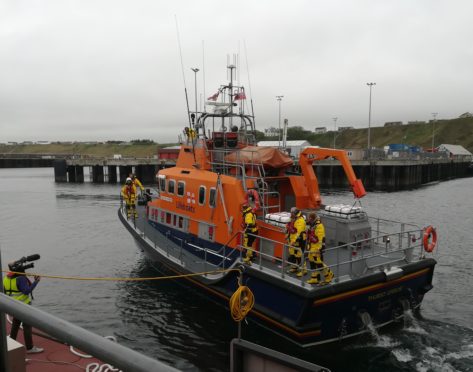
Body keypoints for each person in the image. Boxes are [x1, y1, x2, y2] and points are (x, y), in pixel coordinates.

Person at [3, 264, 43, 353]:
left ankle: (11, 343)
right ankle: (30, 348)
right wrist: (36, 281)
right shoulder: (21, 279)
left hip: (13, 305)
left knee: (15, 324)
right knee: (27, 326)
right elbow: (26, 291)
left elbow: (5, 292)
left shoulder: (6, 278)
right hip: (23, 306)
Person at [306, 213, 334, 285]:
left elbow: (321, 238)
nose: (308, 219)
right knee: (312, 262)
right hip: (311, 247)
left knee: (319, 263)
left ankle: (329, 275)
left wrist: (319, 248)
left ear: (312, 218)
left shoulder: (319, 226)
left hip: (316, 248)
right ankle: (314, 278)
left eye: (309, 218)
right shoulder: (311, 225)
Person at [286, 207, 306, 274]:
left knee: (299, 255)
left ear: (295, 213)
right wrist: (286, 235)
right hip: (292, 240)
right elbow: (288, 226)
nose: (291, 214)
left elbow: (298, 233)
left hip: (299, 240)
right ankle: (294, 267)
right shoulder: (292, 218)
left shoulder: (301, 220)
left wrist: (293, 241)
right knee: (292, 254)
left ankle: (303, 270)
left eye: (292, 213)